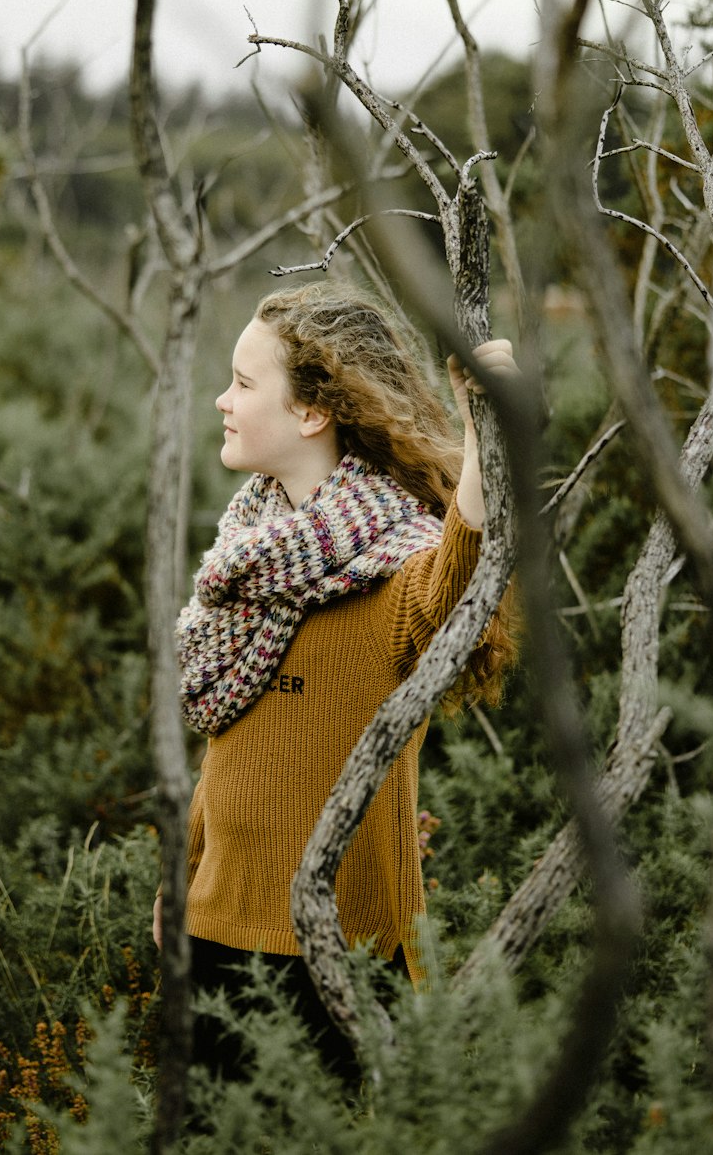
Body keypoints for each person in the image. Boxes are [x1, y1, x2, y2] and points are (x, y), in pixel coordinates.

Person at [153, 282, 518, 1082]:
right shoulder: (247, 563)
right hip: (211, 939)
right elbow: (228, 757)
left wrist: (485, 435)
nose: (223, 399)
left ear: (312, 412)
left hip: (340, 955)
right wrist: (181, 888)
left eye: (244, 384)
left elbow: (459, 578)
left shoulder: (394, 578)